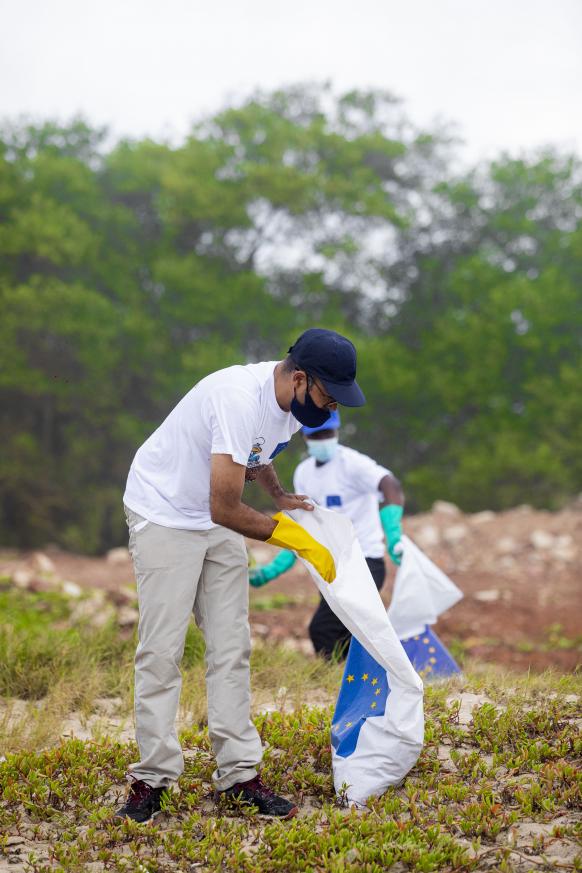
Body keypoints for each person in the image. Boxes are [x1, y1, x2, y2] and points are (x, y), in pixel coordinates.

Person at [117, 328, 366, 823]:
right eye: (328, 398)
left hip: (211, 518)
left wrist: (277, 496)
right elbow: (226, 507)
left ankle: (238, 777)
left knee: (231, 647)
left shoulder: (292, 406)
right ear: (300, 377)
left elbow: (258, 455)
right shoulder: (237, 398)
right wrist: (295, 538)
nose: (331, 411)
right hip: (165, 512)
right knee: (162, 651)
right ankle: (152, 778)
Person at [249, 410, 404, 659]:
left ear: (337, 432)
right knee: (346, 630)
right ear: (305, 439)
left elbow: (390, 485)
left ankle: (340, 680)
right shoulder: (304, 473)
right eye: (316, 435)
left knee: (324, 629)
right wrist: (273, 570)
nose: (323, 439)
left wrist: (394, 532)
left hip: (364, 560)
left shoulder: (353, 464)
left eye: (327, 433)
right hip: (330, 564)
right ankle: (353, 681)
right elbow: (306, 530)